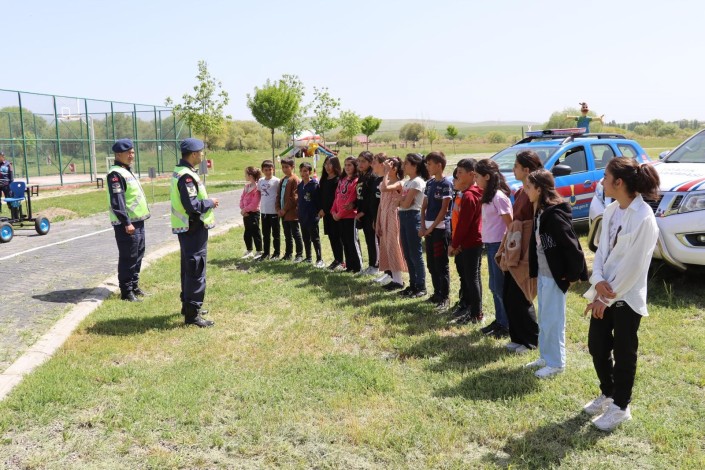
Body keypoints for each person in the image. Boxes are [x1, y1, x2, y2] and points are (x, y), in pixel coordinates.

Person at [582, 158, 660, 432]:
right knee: (597, 345)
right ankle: (609, 392)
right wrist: (598, 279)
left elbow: (634, 267)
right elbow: (601, 251)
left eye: (605, 177)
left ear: (619, 182)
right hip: (605, 290)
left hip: (626, 297)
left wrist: (605, 297)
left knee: (624, 351)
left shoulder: (644, 218)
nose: (601, 181)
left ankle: (620, 406)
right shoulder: (613, 209)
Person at [524, 169, 588, 378]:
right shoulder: (541, 212)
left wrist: (572, 275)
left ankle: (556, 363)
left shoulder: (554, 214)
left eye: (528, 188)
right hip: (544, 274)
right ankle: (546, 356)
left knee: (553, 320)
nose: (526, 191)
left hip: (555, 276)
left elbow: (572, 246)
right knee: (545, 318)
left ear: (539, 189)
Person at [496, 150, 542, 354]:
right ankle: (516, 337)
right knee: (508, 293)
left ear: (527, 169)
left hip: (526, 247)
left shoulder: (536, 193)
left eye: (515, 166)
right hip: (515, 245)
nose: (512, 170)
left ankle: (530, 340)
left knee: (521, 293)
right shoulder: (520, 191)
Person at [170, 138, 219, 328]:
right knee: (196, 269)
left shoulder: (183, 172)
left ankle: (188, 306)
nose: (202, 155)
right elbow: (192, 206)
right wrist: (210, 202)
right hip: (193, 228)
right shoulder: (186, 177)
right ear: (193, 154)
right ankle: (192, 314)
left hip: (189, 229)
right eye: (200, 152)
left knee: (189, 268)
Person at [106, 139, 151, 302]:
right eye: (128, 153)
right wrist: (126, 222)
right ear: (119, 154)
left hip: (137, 221)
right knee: (128, 257)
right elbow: (117, 201)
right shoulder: (115, 174)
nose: (132, 155)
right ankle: (126, 292)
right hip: (127, 224)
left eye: (133, 152)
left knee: (138, 254)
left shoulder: (126, 170)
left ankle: (134, 285)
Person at [475, 159, 513, 338]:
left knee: (499, 286)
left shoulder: (499, 197)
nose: (475, 180)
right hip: (490, 245)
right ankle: (499, 320)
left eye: (477, 176)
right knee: (494, 286)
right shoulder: (488, 196)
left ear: (487, 177)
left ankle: (506, 324)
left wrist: (504, 247)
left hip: (498, 246)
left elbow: (510, 225)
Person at [448, 158, 484, 324]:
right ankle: (469, 307)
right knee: (469, 278)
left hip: (470, 243)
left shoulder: (470, 196)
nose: (457, 175)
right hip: (467, 242)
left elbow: (464, 225)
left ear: (472, 174)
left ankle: (476, 314)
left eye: (461, 172)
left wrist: (455, 244)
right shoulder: (467, 193)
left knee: (472, 278)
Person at [420, 151, 453, 311]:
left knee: (441, 264)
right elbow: (424, 206)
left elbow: (443, 210)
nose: (427, 166)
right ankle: (436, 294)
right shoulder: (430, 183)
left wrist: (431, 228)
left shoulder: (446, 184)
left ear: (439, 165)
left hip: (439, 229)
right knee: (431, 264)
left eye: (430, 164)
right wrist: (422, 226)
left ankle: (444, 297)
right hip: (428, 229)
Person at [397, 153, 429, 298]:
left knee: (415, 253)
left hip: (412, 216)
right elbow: (400, 201)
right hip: (403, 216)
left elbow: (406, 202)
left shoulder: (417, 182)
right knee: (407, 253)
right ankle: (413, 283)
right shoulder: (408, 182)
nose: (404, 166)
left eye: (407, 163)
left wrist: (401, 201)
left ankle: (420, 286)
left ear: (415, 166)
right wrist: (401, 201)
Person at [376, 155, 407, 291]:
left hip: (393, 217)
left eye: (389, 166)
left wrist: (387, 173)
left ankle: (399, 280)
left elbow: (384, 188)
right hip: (384, 216)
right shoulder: (386, 180)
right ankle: (394, 278)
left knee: (393, 246)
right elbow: (381, 203)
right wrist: (377, 221)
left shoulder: (400, 183)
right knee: (387, 247)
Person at [331, 156, 363, 273]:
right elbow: (337, 197)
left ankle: (358, 267)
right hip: (340, 216)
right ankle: (349, 266)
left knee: (352, 242)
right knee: (344, 241)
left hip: (349, 216)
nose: (347, 167)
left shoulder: (356, 180)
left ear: (355, 166)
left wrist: (340, 214)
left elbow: (351, 199)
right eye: (345, 165)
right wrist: (333, 211)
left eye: (350, 165)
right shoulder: (342, 180)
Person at [355, 151, 382, 276]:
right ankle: (372, 264)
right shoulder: (362, 175)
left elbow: (371, 198)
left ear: (371, 163)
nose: (360, 164)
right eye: (359, 161)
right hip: (362, 214)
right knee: (368, 240)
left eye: (363, 161)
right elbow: (360, 196)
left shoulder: (372, 177)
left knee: (373, 240)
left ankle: (375, 265)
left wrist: (363, 212)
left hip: (370, 214)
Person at [318, 156, 344, 270]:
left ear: (335, 165)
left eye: (330, 164)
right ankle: (336, 259)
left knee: (337, 237)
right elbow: (321, 196)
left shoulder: (338, 180)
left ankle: (341, 260)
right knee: (331, 237)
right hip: (325, 214)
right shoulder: (324, 179)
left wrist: (326, 209)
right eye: (326, 164)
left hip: (334, 212)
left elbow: (335, 198)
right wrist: (320, 209)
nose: (327, 167)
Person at [276, 157, 303, 262]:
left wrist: (285, 209)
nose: (284, 169)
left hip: (291, 213)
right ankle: (288, 254)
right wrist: (278, 209)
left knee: (295, 234)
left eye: (287, 167)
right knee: (287, 235)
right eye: (283, 167)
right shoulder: (283, 180)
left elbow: (294, 197)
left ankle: (299, 254)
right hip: (283, 213)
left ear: (292, 167)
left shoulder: (294, 179)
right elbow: (278, 196)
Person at [297, 162, 324, 267]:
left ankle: (319, 259)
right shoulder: (300, 186)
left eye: (305, 171)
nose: (303, 173)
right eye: (301, 171)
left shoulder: (314, 185)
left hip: (312, 217)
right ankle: (308, 257)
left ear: (310, 172)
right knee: (305, 238)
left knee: (315, 238)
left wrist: (320, 211)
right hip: (302, 216)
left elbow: (319, 201)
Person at [257, 160, 281, 261]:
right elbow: (259, 193)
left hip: (274, 212)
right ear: (262, 170)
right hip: (264, 212)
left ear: (273, 169)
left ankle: (276, 253)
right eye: (266, 170)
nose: (268, 172)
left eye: (270, 170)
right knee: (265, 234)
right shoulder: (261, 181)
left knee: (275, 234)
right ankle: (266, 253)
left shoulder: (277, 181)